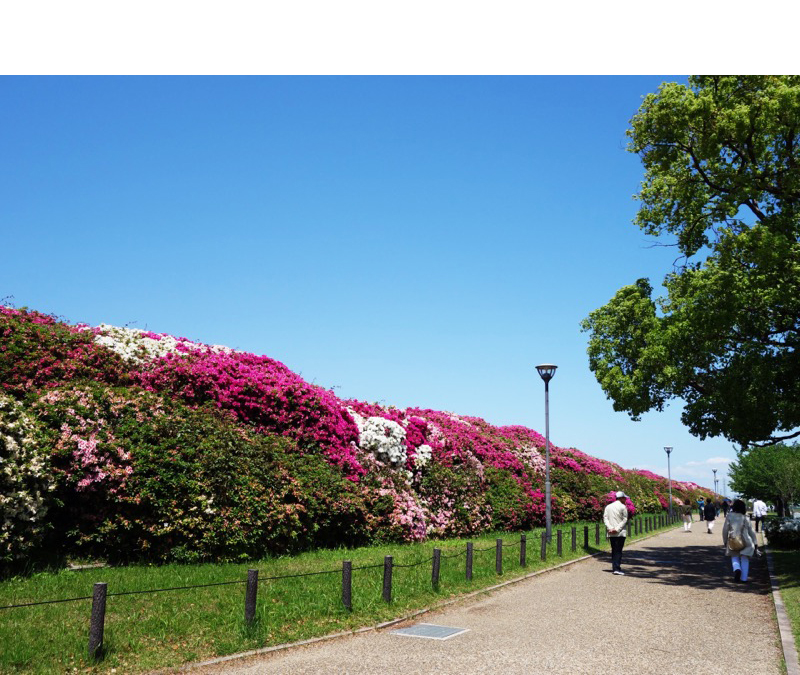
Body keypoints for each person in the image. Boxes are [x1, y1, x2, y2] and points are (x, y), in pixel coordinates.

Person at [723, 499, 759, 582]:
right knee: (745, 559)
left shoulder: (729, 516)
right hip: (746, 540)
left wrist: (725, 540)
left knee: (734, 556)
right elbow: (751, 531)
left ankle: (737, 569)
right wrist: (755, 542)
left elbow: (725, 530)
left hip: (733, 539)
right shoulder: (746, 517)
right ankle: (744, 578)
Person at [603, 491, 630, 575]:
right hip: (620, 533)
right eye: (624, 498)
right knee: (618, 551)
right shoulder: (623, 507)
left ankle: (615, 567)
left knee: (614, 550)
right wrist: (617, 529)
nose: (625, 499)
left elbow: (605, 518)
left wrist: (610, 528)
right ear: (621, 498)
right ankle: (617, 568)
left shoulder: (608, 507)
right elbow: (624, 519)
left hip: (611, 532)